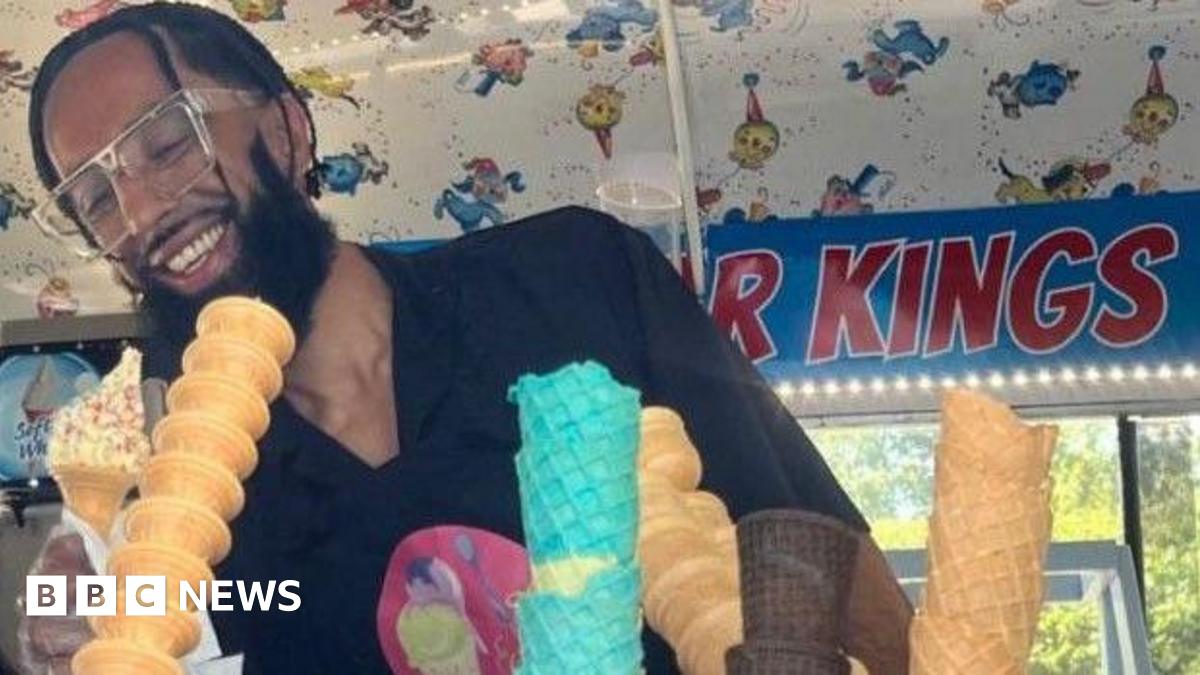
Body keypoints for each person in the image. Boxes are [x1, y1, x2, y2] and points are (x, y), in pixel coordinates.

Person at [20, 4, 913, 674]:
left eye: (167, 142)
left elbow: (811, 545)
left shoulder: (571, 279)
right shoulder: (191, 492)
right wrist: (72, 604)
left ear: (288, 130)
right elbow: (170, 618)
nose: (141, 210)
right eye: (94, 198)